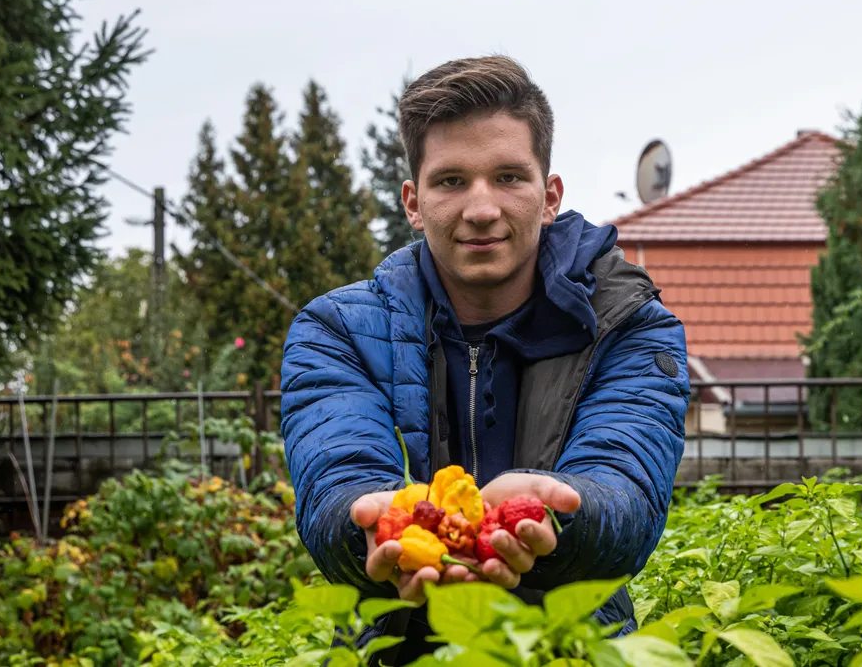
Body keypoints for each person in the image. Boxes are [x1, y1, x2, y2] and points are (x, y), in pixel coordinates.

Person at [280, 55, 689, 663]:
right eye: (450, 181)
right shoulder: (334, 332)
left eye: (507, 177)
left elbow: (624, 493)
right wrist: (371, 524)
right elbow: (340, 483)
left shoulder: (629, 325)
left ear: (549, 195)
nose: (481, 208)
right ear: (413, 202)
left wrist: (554, 513)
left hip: (571, 649)